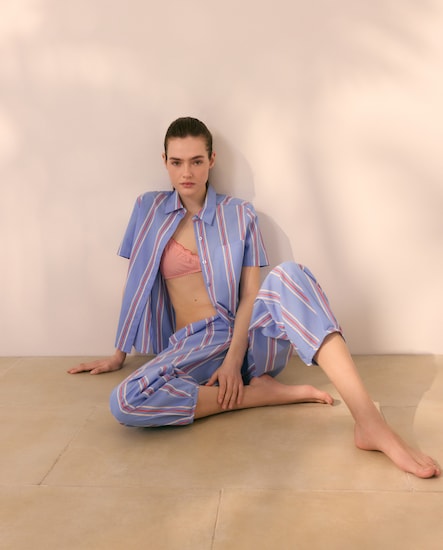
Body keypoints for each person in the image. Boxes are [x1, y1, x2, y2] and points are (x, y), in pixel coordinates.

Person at [69, 117, 440, 479]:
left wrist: (233, 362)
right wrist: (119, 353)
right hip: (190, 345)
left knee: (290, 275)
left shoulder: (239, 213)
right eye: (177, 162)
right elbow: (135, 281)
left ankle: (370, 422)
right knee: (126, 400)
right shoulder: (147, 209)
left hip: (244, 338)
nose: (187, 172)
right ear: (164, 161)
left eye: (196, 161)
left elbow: (250, 294)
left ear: (211, 160)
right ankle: (258, 395)